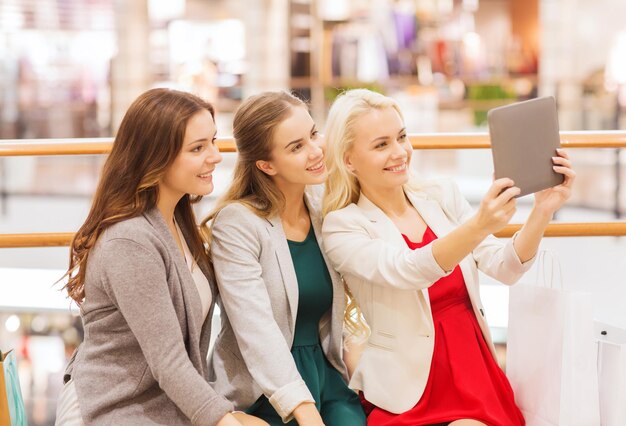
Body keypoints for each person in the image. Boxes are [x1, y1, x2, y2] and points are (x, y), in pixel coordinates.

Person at [321, 89, 576, 426]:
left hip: (474, 372)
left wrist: (543, 209)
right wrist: (479, 225)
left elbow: (506, 267)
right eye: (381, 145)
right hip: (408, 390)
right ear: (348, 159)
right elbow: (409, 270)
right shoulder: (342, 226)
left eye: (401, 137)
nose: (399, 153)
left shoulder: (440, 195)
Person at [55, 88, 265, 426]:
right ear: (156, 157)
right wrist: (225, 420)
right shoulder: (131, 241)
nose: (215, 156)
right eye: (198, 148)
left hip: (164, 403)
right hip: (114, 406)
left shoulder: (178, 218)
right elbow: (169, 362)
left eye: (213, 140)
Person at [204, 91, 366, 426]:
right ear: (265, 164)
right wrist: (307, 416)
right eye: (296, 147)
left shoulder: (323, 207)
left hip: (327, 375)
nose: (316, 150)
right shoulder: (237, 224)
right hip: (262, 389)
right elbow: (256, 332)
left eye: (313, 134)